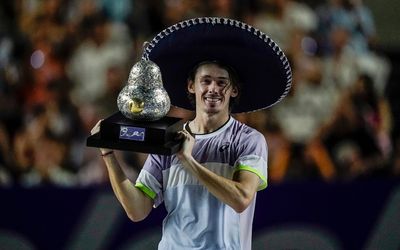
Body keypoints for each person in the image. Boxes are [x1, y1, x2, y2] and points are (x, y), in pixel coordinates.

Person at [90, 17, 292, 250]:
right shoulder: (168, 139)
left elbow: (241, 198)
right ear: (191, 86)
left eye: (222, 82)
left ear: (234, 90)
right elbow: (137, 210)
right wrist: (109, 155)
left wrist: (188, 160)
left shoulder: (249, 140)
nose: (213, 89)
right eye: (205, 81)